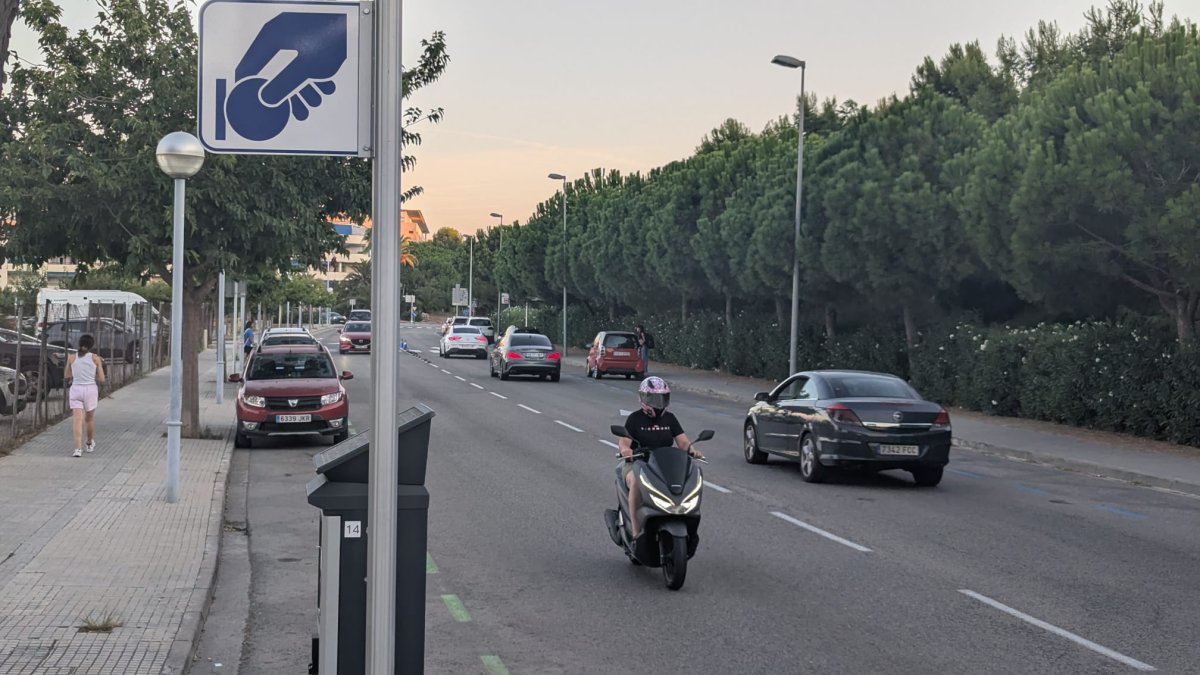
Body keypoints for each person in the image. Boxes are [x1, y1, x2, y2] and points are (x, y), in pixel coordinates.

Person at [618, 377, 703, 538]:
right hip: (638, 463)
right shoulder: (635, 419)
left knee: (690, 479)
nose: (659, 403)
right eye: (654, 398)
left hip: (664, 464)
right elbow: (624, 442)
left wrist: (693, 450)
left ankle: (685, 519)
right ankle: (636, 532)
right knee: (636, 482)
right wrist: (625, 450)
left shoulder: (670, 419)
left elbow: (683, 442)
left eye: (662, 398)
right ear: (644, 398)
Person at [64, 334, 105, 458]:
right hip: (90, 390)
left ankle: (77, 449)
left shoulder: (71, 357)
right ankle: (89, 443)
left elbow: (67, 375)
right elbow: (102, 378)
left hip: (76, 389)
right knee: (89, 419)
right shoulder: (95, 358)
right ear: (91, 345)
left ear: (79, 343)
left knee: (77, 420)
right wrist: (97, 368)